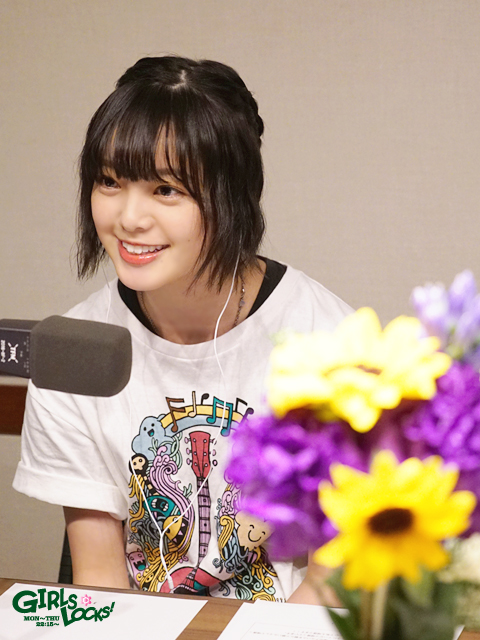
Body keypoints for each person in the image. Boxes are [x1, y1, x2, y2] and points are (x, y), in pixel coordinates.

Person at [13, 56, 351, 603]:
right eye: (109, 181)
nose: (129, 218)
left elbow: (330, 585)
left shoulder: (332, 343)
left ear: (233, 195)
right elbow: (100, 581)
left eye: (166, 190)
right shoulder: (75, 353)